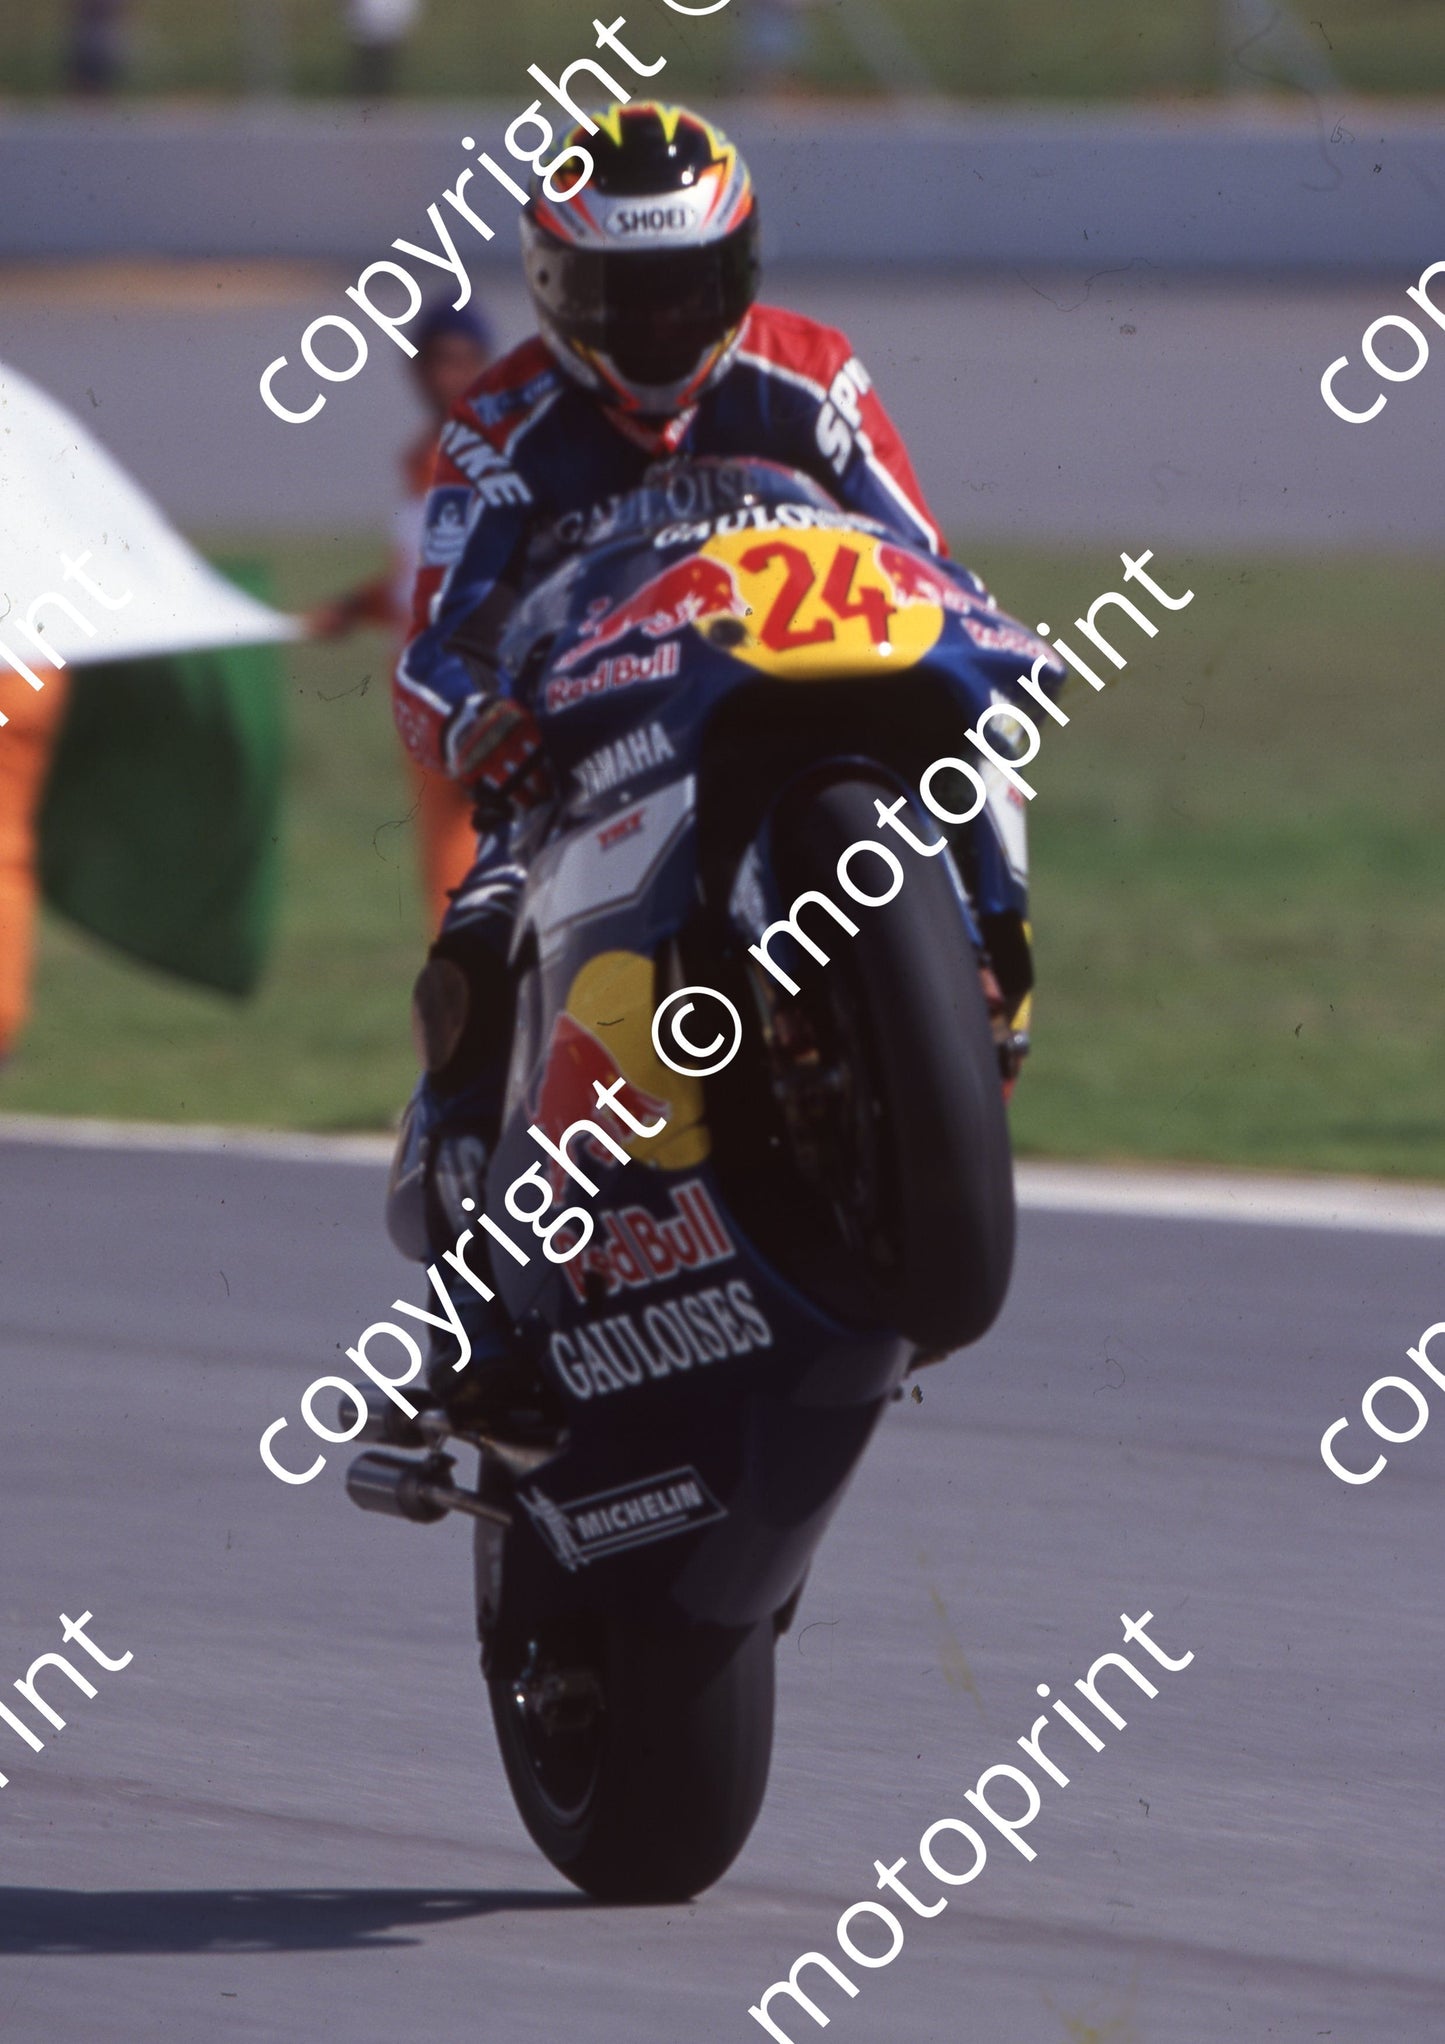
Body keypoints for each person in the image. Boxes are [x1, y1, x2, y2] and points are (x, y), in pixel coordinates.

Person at [390, 102, 956, 1403]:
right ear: (551, 291)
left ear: (738, 275)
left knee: (966, 729)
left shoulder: (812, 371)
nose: (657, 325)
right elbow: (433, 641)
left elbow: (924, 558)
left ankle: (983, 964)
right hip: (580, 750)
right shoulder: (501, 419)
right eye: (621, 295)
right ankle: (472, 1334)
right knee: (472, 959)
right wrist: (481, 721)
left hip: (797, 687)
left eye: (686, 289)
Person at [308, 301, 493, 930]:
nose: (448, 377)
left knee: (481, 873)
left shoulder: (494, 458)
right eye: (435, 362)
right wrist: (353, 608)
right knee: (442, 875)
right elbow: (418, 578)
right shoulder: (421, 463)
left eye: (462, 362)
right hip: (421, 696)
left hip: (472, 694)